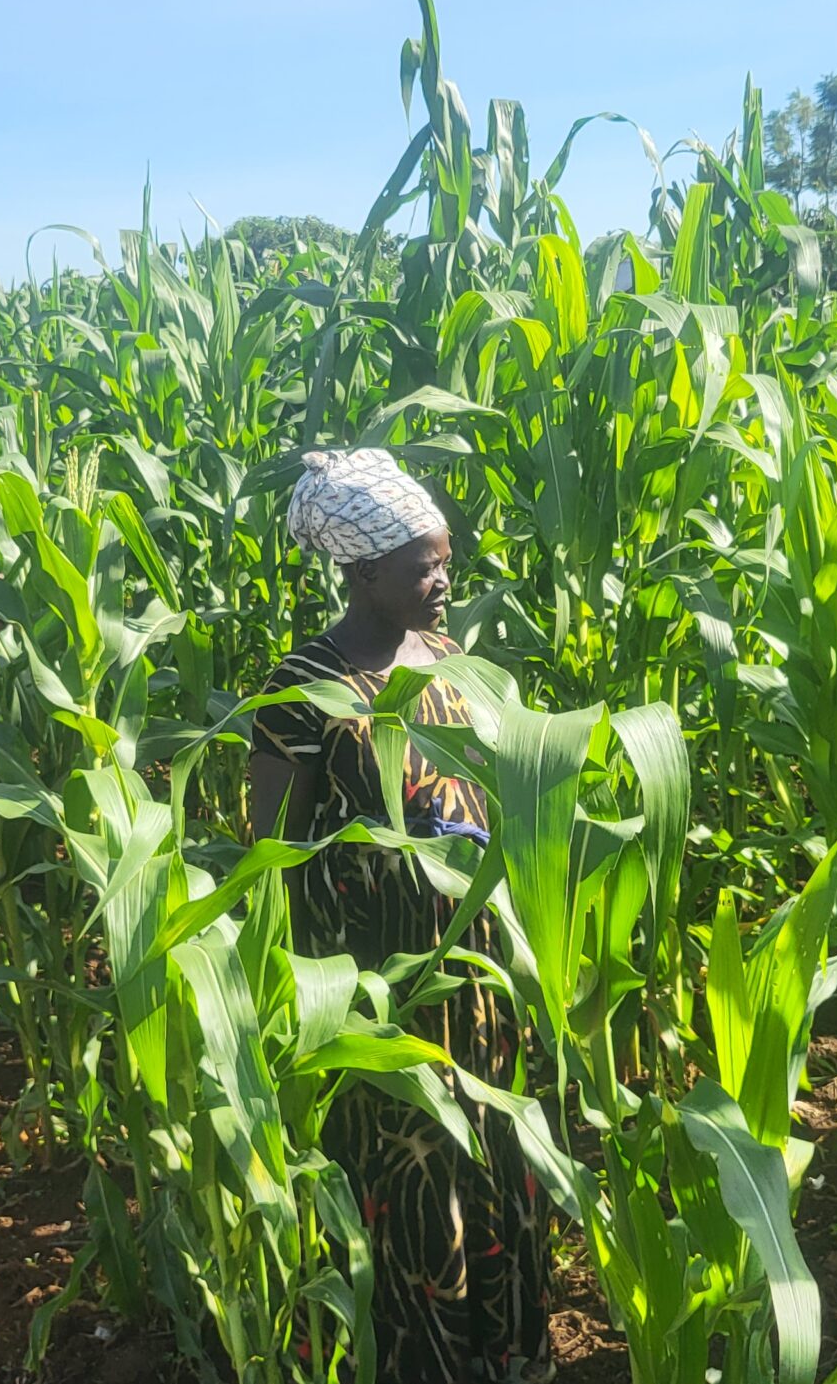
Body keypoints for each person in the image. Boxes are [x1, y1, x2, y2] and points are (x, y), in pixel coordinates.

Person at [247, 449, 552, 1384]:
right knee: (416, 1173)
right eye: (423, 565)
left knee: (496, 1156)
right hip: (382, 992)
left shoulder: (457, 664)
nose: (442, 579)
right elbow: (270, 853)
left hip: (480, 976)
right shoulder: (305, 682)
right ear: (363, 572)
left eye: (445, 558)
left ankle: (509, 1353)